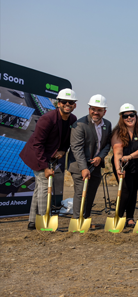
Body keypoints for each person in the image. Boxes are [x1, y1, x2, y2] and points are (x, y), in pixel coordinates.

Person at [20, 88, 77, 230]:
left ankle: (33, 221)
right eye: (64, 102)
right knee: (45, 187)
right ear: (59, 103)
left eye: (71, 102)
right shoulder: (47, 119)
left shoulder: (72, 119)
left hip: (50, 157)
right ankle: (45, 219)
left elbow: (67, 139)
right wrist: (45, 167)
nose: (67, 104)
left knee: (40, 188)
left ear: (74, 105)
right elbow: (37, 144)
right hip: (37, 155)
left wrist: (64, 150)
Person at [68, 94, 112, 228]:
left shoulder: (108, 124)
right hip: (79, 165)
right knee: (81, 193)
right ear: (89, 109)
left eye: (99, 110)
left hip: (96, 166)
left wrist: (100, 157)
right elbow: (76, 148)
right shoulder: (79, 124)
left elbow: (107, 144)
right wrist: (83, 168)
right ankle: (77, 221)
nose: (96, 112)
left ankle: (85, 219)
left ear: (104, 111)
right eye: (93, 109)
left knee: (91, 193)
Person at [110, 103, 138, 228]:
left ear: (136, 116)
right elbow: (118, 153)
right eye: (126, 116)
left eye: (132, 115)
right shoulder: (117, 133)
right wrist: (119, 170)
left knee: (133, 191)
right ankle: (118, 218)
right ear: (121, 118)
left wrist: (130, 156)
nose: (129, 118)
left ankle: (130, 218)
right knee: (125, 191)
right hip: (122, 165)